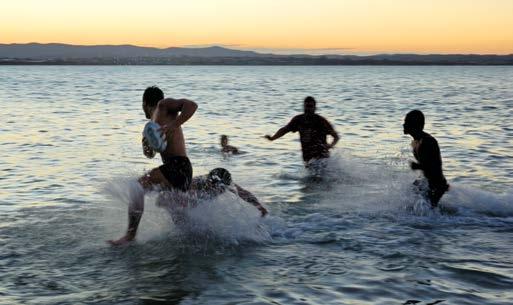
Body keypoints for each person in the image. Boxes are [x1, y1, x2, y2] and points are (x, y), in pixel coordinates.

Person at [109, 86, 198, 245]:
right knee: (167, 203)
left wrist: (174, 125)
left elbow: (192, 106)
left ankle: (130, 236)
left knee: (137, 187)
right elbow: (150, 155)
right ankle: (195, 232)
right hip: (176, 169)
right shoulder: (151, 126)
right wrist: (147, 145)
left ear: (144, 103)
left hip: (179, 166)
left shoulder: (163, 105)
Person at [265, 96, 339, 166]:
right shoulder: (298, 120)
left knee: (317, 177)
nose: (308, 109)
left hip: (321, 158)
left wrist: (330, 145)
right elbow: (284, 130)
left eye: (310, 106)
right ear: (303, 107)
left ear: (315, 108)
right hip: (308, 158)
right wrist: (272, 138)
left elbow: (336, 136)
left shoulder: (321, 121)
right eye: (306, 106)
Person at [403, 110, 449, 207]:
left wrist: (418, 166)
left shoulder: (427, 142)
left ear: (414, 125)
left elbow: (434, 166)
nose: (403, 125)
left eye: (406, 122)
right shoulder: (415, 142)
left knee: (428, 216)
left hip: (436, 185)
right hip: (426, 183)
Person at [191, 168, 268, 217]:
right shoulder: (195, 184)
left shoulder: (225, 183)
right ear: (209, 182)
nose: (220, 191)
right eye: (217, 188)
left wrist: (259, 207)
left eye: (222, 188)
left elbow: (243, 193)